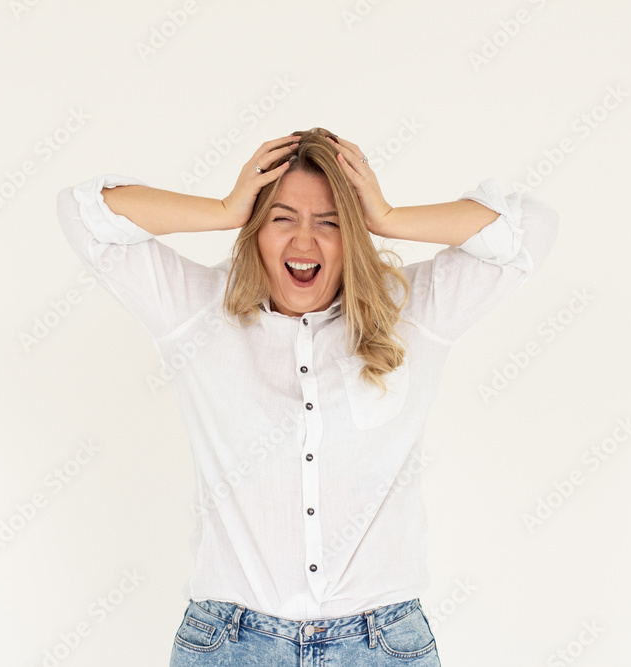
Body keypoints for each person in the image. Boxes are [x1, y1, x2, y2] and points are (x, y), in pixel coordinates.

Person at [55, 127, 559, 665]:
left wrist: (388, 217)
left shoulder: (412, 312)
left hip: (381, 645)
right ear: (254, 229)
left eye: (330, 222)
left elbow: (531, 231)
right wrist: (226, 208)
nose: (303, 242)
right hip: (231, 643)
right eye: (281, 218)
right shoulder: (198, 312)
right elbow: (84, 214)